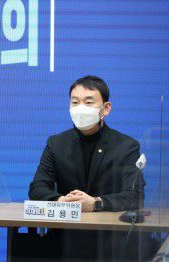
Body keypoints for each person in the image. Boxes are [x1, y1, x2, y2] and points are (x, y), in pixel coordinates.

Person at [29, 75, 144, 211]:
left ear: (106, 108)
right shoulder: (56, 144)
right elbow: (37, 188)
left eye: (89, 102)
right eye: (75, 102)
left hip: (106, 224)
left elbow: (135, 196)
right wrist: (61, 201)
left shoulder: (126, 146)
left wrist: (96, 203)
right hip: (66, 222)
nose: (80, 108)